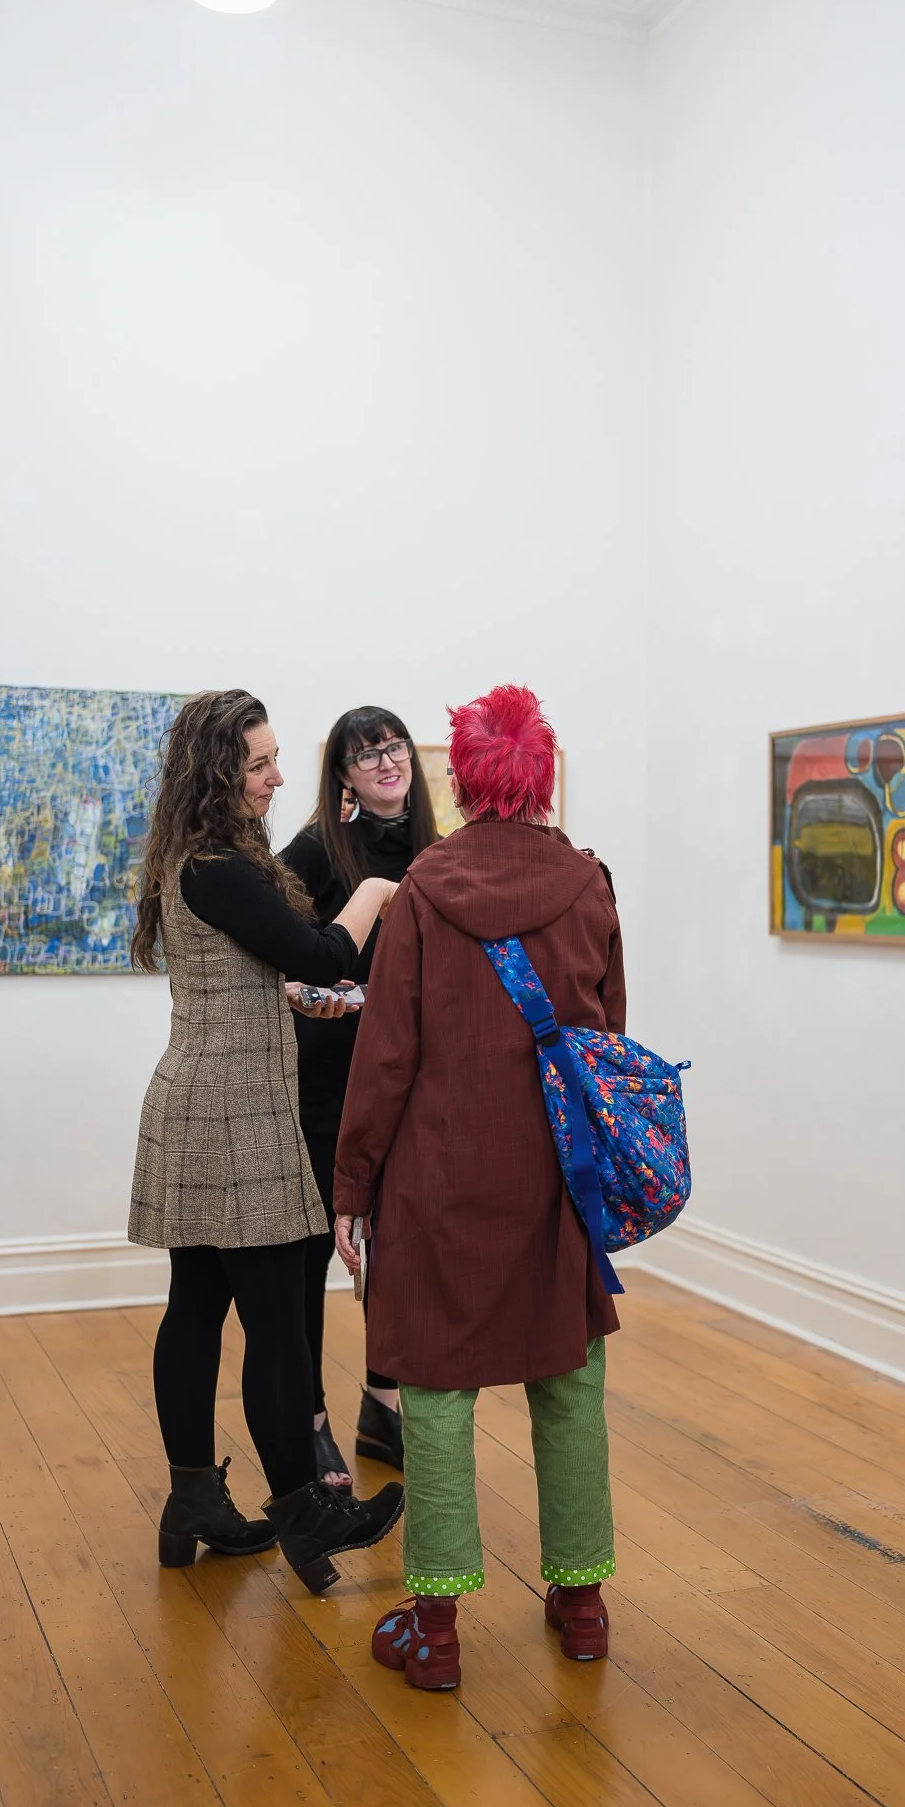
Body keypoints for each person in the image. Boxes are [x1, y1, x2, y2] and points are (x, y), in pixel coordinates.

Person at [334, 685, 622, 1691]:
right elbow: (606, 1042)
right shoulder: (589, 884)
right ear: (541, 777)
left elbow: (386, 1057)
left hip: (440, 1180)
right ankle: (581, 1605)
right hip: (556, 1179)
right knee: (569, 1382)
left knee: (435, 1391)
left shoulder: (422, 889)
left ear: (459, 781)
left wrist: (352, 1184)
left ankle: (438, 1629)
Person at [128, 688, 404, 1594]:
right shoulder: (221, 866)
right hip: (236, 1114)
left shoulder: (198, 858)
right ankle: (306, 1510)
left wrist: (283, 998)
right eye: (258, 763)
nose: (277, 776)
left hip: (201, 1100)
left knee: (198, 1305)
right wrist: (374, 891)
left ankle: (194, 1504)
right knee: (278, 1321)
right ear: (217, 772)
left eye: (275, 757)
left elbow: (247, 972)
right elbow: (323, 953)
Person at [281, 708, 439, 1487]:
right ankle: (308, 1421)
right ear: (341, 775)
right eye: (364, 754)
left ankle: (383, 1406)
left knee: (399, 1251)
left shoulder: (438, 852)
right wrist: (343, 998)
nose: (385, 762)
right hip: (325, 1084)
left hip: (409, 1085)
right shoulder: (315, 850)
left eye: (392, 746)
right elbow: (277, 965)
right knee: (312, 1252)